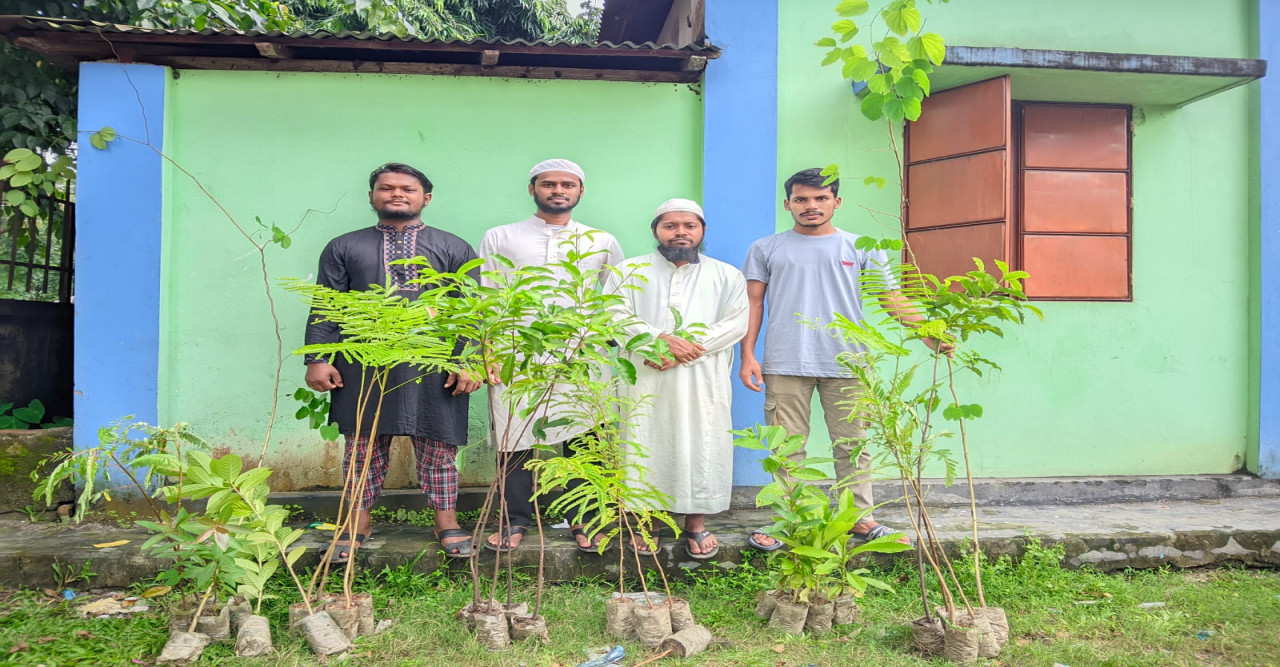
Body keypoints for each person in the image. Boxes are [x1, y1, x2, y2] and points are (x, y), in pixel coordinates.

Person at [739, 168, 947, 551]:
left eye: (820, 198)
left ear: (836, 201)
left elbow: (891, 298)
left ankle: (859, 519)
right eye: (801, 199)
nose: (811, 206)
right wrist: (747, 355)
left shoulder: (862, 247)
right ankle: (792, 520)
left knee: (852, 445)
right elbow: (753, 304)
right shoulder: (765, 248)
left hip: (849, 362)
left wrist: (929, 332)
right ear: (788, 204)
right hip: (786, 361)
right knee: (786, 446)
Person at [304, 162, 482, 563]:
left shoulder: (453, 247)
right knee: (362, 448)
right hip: (363, 363)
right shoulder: (343, 246)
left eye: (407, 189)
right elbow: (326, 306)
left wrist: (468, 360)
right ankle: (357, 522)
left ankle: (446, 520)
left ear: (426, 198)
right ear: (372, 196)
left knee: (440, 447)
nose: (396, 194)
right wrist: (317, 358)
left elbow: (470, 311)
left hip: (436, 365)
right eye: (386, 188)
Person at [478, 158, 624, 552]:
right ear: (532, 189)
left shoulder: (602, 241)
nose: (557, 190)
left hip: (581, 353)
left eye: (567, 184)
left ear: (580, 191)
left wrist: (597, 342)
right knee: (514, 436)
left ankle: (586, 518)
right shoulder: (500, 237)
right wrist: (488, 351)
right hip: (514, 350)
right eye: (548, 184)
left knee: (583, 436)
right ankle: (514, 519)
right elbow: (488, 295)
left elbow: (616, 301)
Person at [607, 198, 747, 559]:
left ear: (702, 231)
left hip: (702, 379)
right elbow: (614, 316)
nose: (680, 232)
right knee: (644, 441)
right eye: (670, 225)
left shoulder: (726, 274)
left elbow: (736, 323)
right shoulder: (628, 270)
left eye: (689, 226)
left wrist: (687, 349)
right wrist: (659, 342)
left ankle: (695, 524)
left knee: (702, 442)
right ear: (656, 230)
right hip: (644, 376)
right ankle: (646, 523)